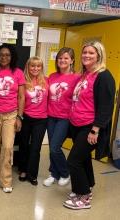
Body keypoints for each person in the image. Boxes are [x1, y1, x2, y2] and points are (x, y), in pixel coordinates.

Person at [63, 41, 115, 210]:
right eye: (85, 52)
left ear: (99, 55)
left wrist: (95, 129)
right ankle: (88, 186)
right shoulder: (85, 74)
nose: (86, 55)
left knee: (73, 161)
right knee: (83, 159)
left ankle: (84, 197)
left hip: (90, 127)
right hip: (77, 124)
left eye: (91, 53)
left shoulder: (104, 76)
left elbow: (107, 107)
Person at [0, 44, 25, 193]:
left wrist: (19, 117)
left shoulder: (18, 73)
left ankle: (6, 180)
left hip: (11, 115)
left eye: (7, 55)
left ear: (12, 57)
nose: (4, 57)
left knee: (7, 147)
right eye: (1, 55)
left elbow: (21, 97)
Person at [43, 47, 80, 187]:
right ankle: (54, 173)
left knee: (54, 147)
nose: (62, 60)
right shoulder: (52, 76)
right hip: (50, 116)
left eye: (66, 58)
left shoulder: (77, 78)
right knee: (53, 147)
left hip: (65, 118)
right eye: (60, 58)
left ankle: (65, 173)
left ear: (72, 60)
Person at [18, 56, 48, 186]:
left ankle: (32, 174)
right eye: (32, 66)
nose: (35, 68)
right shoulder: (23, 81)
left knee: (36, 147)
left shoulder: (47, 81)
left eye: (38, 66)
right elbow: (19, 99)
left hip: (42, 119)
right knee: (24, 145)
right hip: (26, 117)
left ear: (41, 68)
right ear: (28, 67)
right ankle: (23, 170)